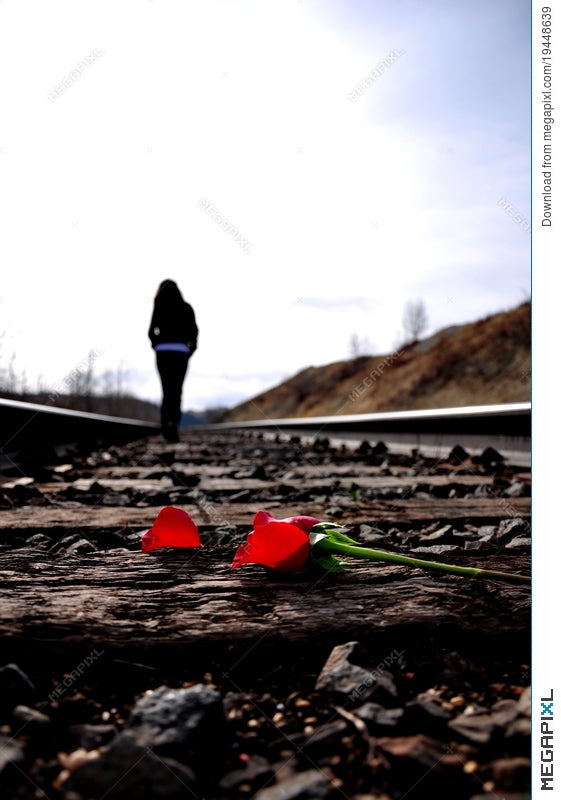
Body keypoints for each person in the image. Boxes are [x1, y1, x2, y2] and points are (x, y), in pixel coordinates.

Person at [148, 279, 198, 442]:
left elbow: (151, 331)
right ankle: (173, 425)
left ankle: (165, 427)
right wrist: (189, 350)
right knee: (176, 391)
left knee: (166, 390)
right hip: (180, 353)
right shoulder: (186, 307)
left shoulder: (159, 306)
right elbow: (194, 332)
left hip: (163, 352)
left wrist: (157, 345)